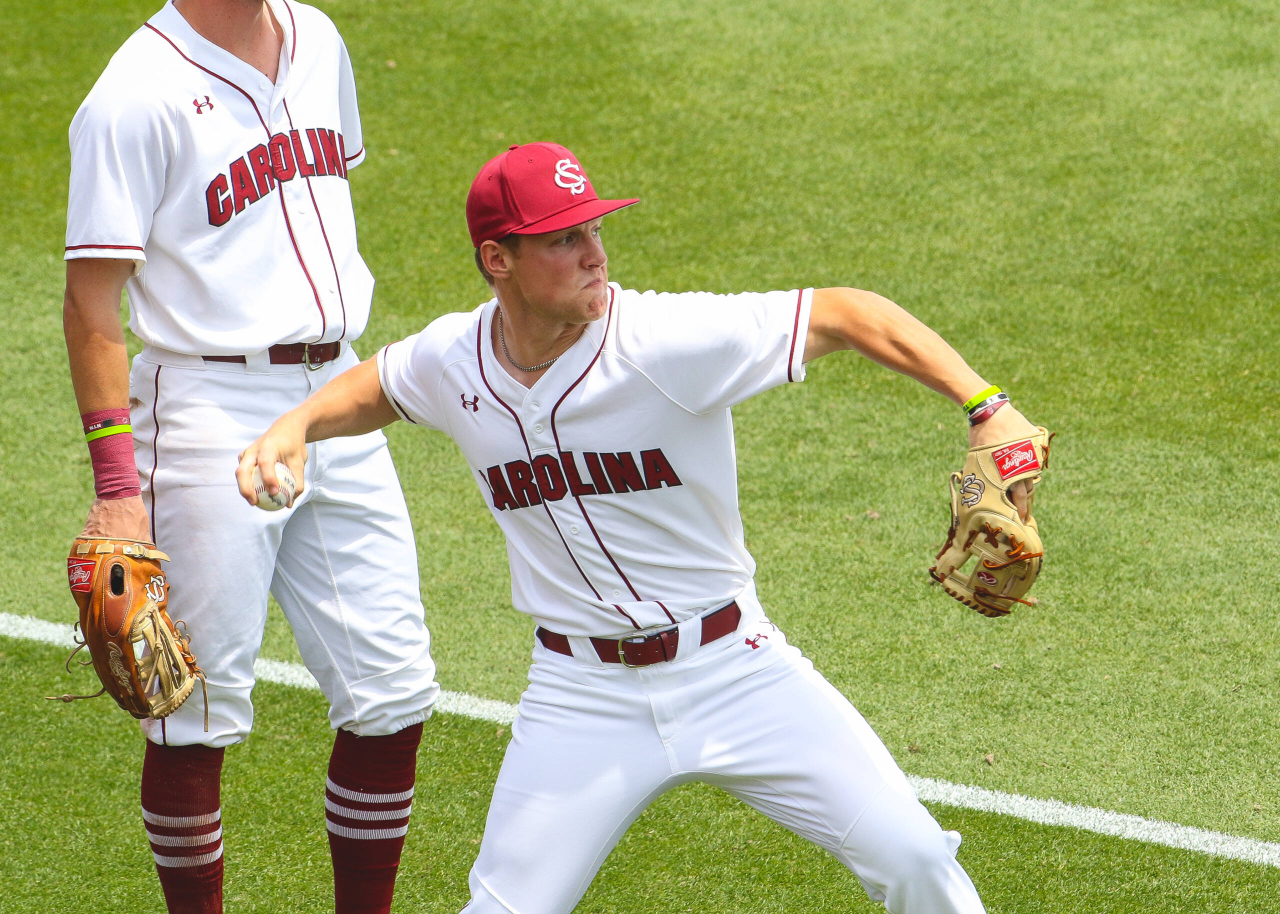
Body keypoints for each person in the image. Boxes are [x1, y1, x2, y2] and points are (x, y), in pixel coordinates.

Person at [239, 142, 1041, 914]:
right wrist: (294, 428)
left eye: (595, 227)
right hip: (579, 696)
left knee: (917, 861)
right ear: (498, 261)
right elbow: (377, 384)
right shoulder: (454, 358)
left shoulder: (664, 341)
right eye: (564, 238)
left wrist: (987, 406)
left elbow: (845, 314)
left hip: (737, 671)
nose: (595, 252)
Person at [62, 2, 438, 912]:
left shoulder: (318, 36)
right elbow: (89, 305)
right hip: (204, 405)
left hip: (335, 397)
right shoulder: (132, 95)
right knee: (192, 716)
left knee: (394, 693)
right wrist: (119, 493)